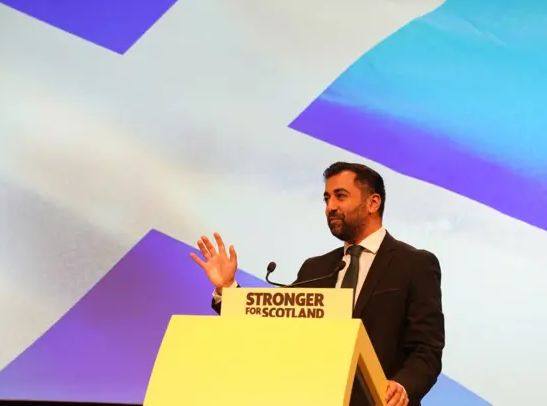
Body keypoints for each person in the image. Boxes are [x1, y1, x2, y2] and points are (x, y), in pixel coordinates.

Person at [190, 162, 445, 406]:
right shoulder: (317, 269)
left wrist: (402, 386)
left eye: (340, 196)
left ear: (373, 202)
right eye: (326, 199)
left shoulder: (414, 264)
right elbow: (272, 326)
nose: (330, 207)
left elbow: (427, 349)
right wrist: (228, 289)